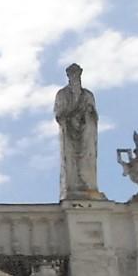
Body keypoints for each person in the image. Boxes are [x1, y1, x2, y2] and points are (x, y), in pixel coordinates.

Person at [53, 62, 104, 201]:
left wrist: (86, 115)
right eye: (72, 74)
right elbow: (59, 114)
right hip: (69, 130)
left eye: (77, 74)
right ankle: (73, 186)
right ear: (69, 76)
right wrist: (71, 117)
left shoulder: (87, 95)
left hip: (85, 131)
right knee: (70, 159)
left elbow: (93, 114)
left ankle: (88, 185)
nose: (75, 77)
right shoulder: (62, 94)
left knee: (87, 156)